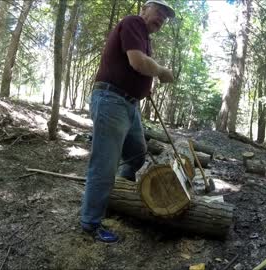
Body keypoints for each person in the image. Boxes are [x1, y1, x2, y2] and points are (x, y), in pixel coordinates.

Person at [81, 0, 175, 243]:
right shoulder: (134, 22)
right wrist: (162, 72)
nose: (162, 19)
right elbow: (137, 61)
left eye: (165, 17)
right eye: (160, 12)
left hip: (129, 104)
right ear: (145, 8)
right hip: (112, 100)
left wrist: (144, 87)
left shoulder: (145, 37)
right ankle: (90, 223)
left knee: (137, 153)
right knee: (104, 164)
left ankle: (116, 195)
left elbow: (136, 67)